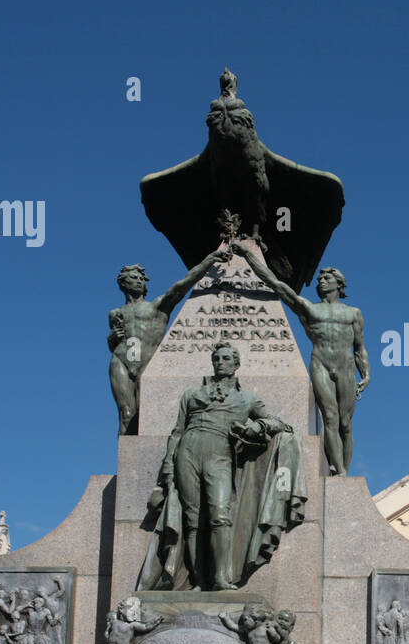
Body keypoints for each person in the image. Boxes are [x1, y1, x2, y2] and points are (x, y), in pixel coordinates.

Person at [141, 342, 296, 591]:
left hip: (220, 454)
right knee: (192, 520)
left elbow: (276, 422)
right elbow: (177, 432)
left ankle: (221, 578)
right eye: (217, 359)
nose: (220, 362)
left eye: (226, 358)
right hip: (188, 452)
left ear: (236, 364)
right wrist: (168, 467)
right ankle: (198, 579)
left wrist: (258, 427)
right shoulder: (191, 394)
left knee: (219, 516)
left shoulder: (247, 398)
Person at [232, 242, 369, 475]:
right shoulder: (309, 308)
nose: (321, 281)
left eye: (327, 278)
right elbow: (276, 284)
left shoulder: (352, 313)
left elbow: (359, 348)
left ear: (339, 284)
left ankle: (344, 470)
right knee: (330, 419)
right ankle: (340, 471)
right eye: (319, 279)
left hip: (346, 367)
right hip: (321, 365)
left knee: (346, 424)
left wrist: (366, 374)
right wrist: (248, 255)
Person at [108, 246, 229, 435]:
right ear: (123, 283)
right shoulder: (115, 313)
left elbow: (182, 285)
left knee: (143, 414)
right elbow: (114, 343)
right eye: (134, 278)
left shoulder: (156, 306)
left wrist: (210, 259)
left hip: (147, 362)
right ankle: (123, 463)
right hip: (121, 361)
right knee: (126, 413)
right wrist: (112, 338)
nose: (139, 281)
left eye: (141, 279)